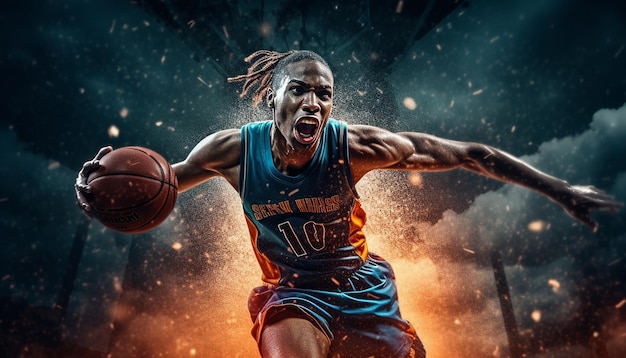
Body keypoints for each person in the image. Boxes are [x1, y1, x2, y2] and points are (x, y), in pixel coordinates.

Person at [75, 49, 622, 358]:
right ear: (274, 97)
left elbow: (470, 154)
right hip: (291, 292)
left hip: (361, 288)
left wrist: (562, 189)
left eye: (324, 94)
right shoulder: (231, 151)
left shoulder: (355, 146)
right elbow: (154, 186)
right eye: (299, 90)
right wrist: (101, 192)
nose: (313, 102)